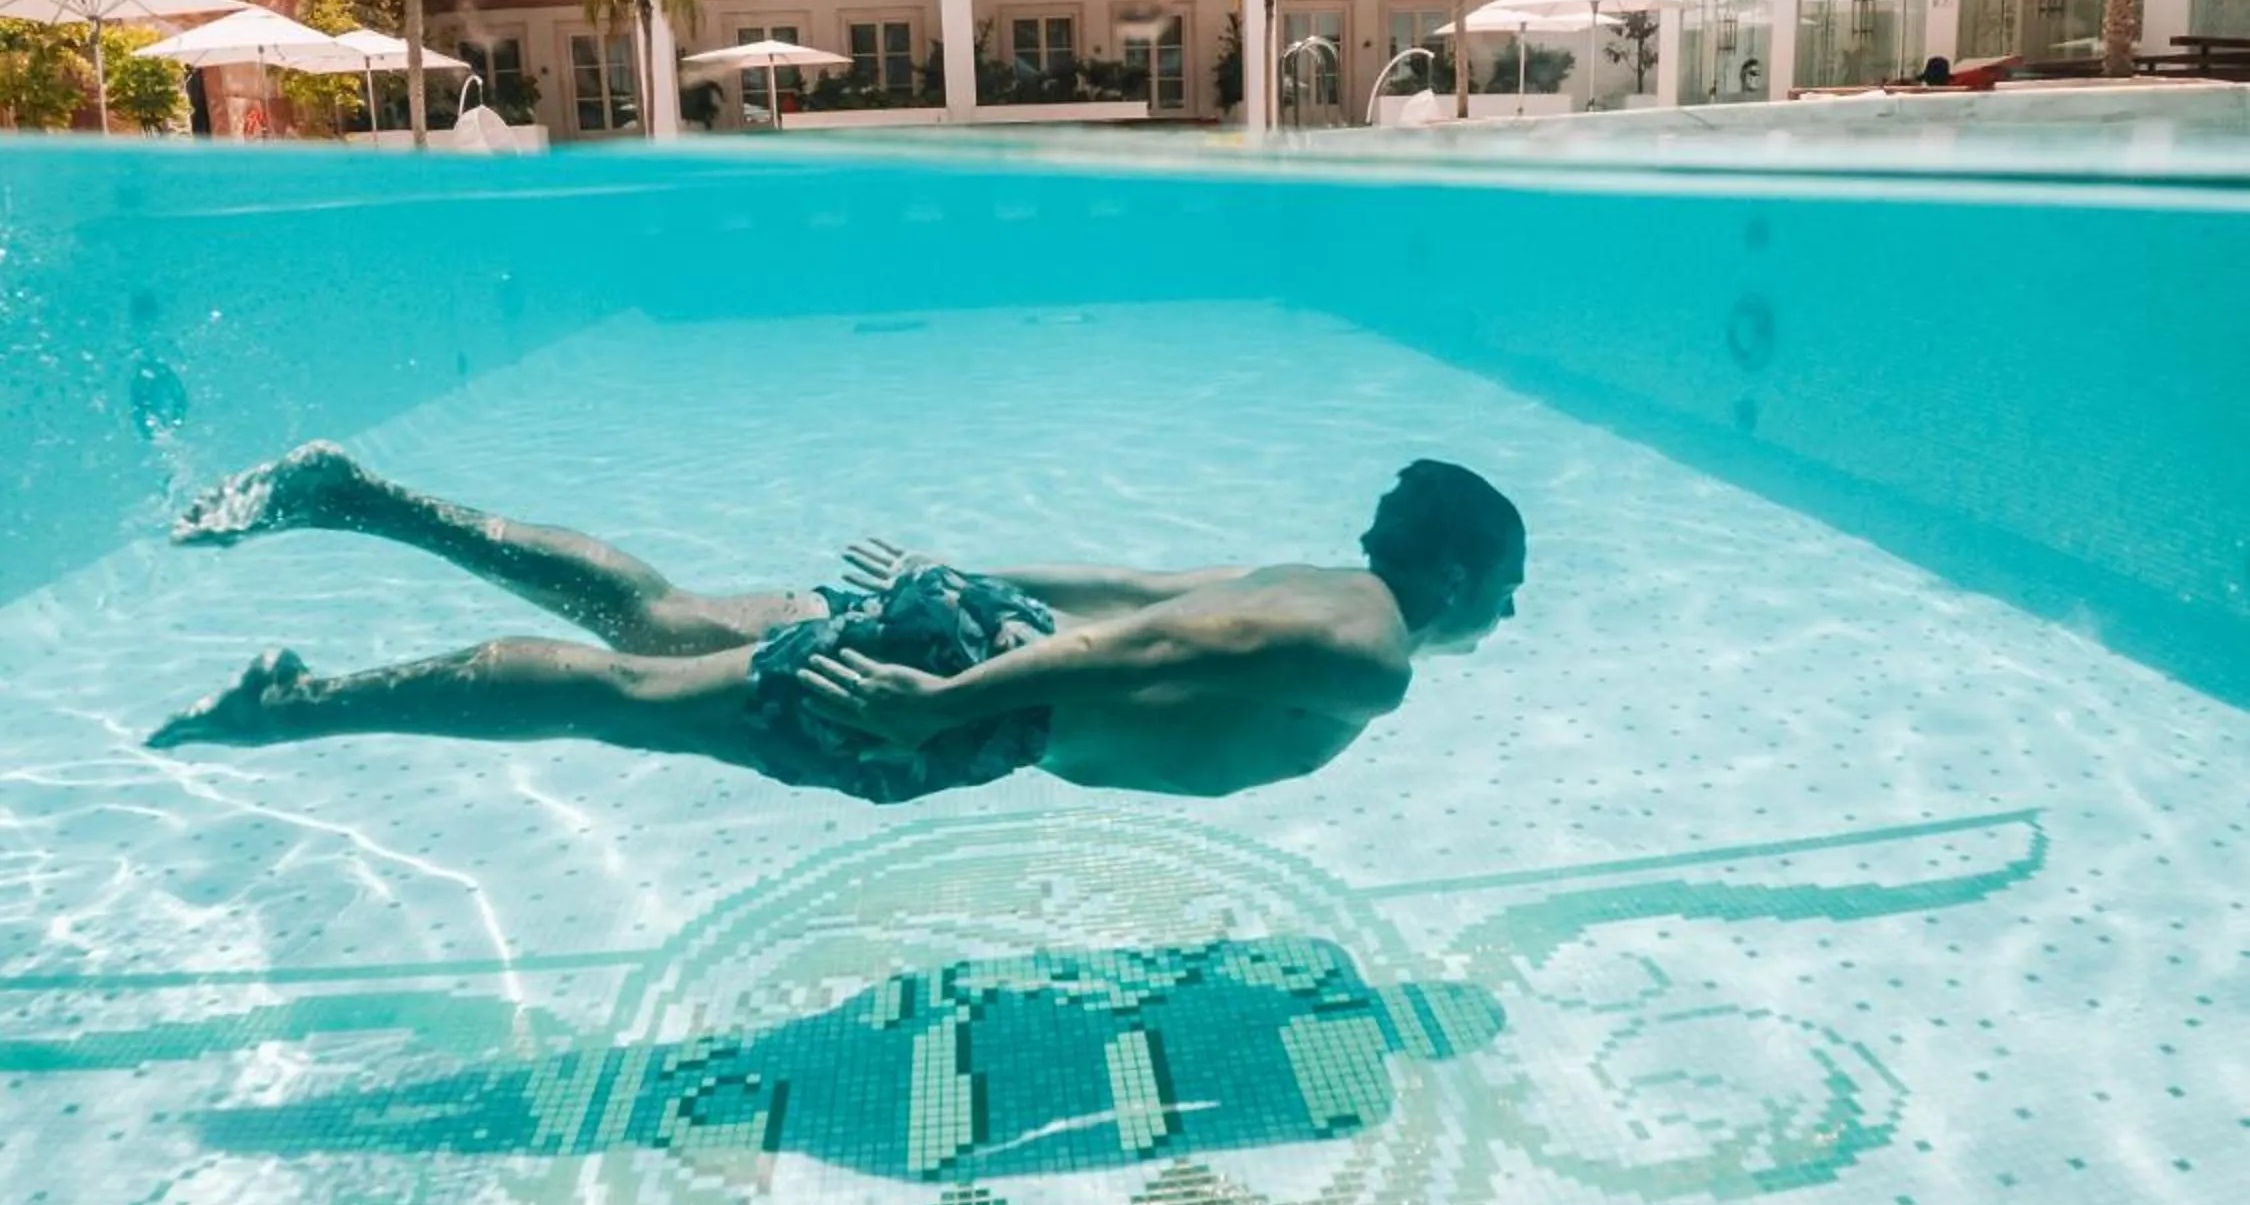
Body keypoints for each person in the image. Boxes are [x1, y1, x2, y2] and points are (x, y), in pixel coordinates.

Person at [147, 447, 1526, 801]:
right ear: (1458, 580)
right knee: (613, 694)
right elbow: (1154, 648)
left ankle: (360, 500)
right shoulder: (1370, 654)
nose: (1507, 616)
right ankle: (300, 706)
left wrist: (958, 572)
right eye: (1507, 592)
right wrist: (943, 706)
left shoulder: (1315, 582)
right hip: (973, 692)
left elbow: (1129, 591)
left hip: (985, 634)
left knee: (664, 619)